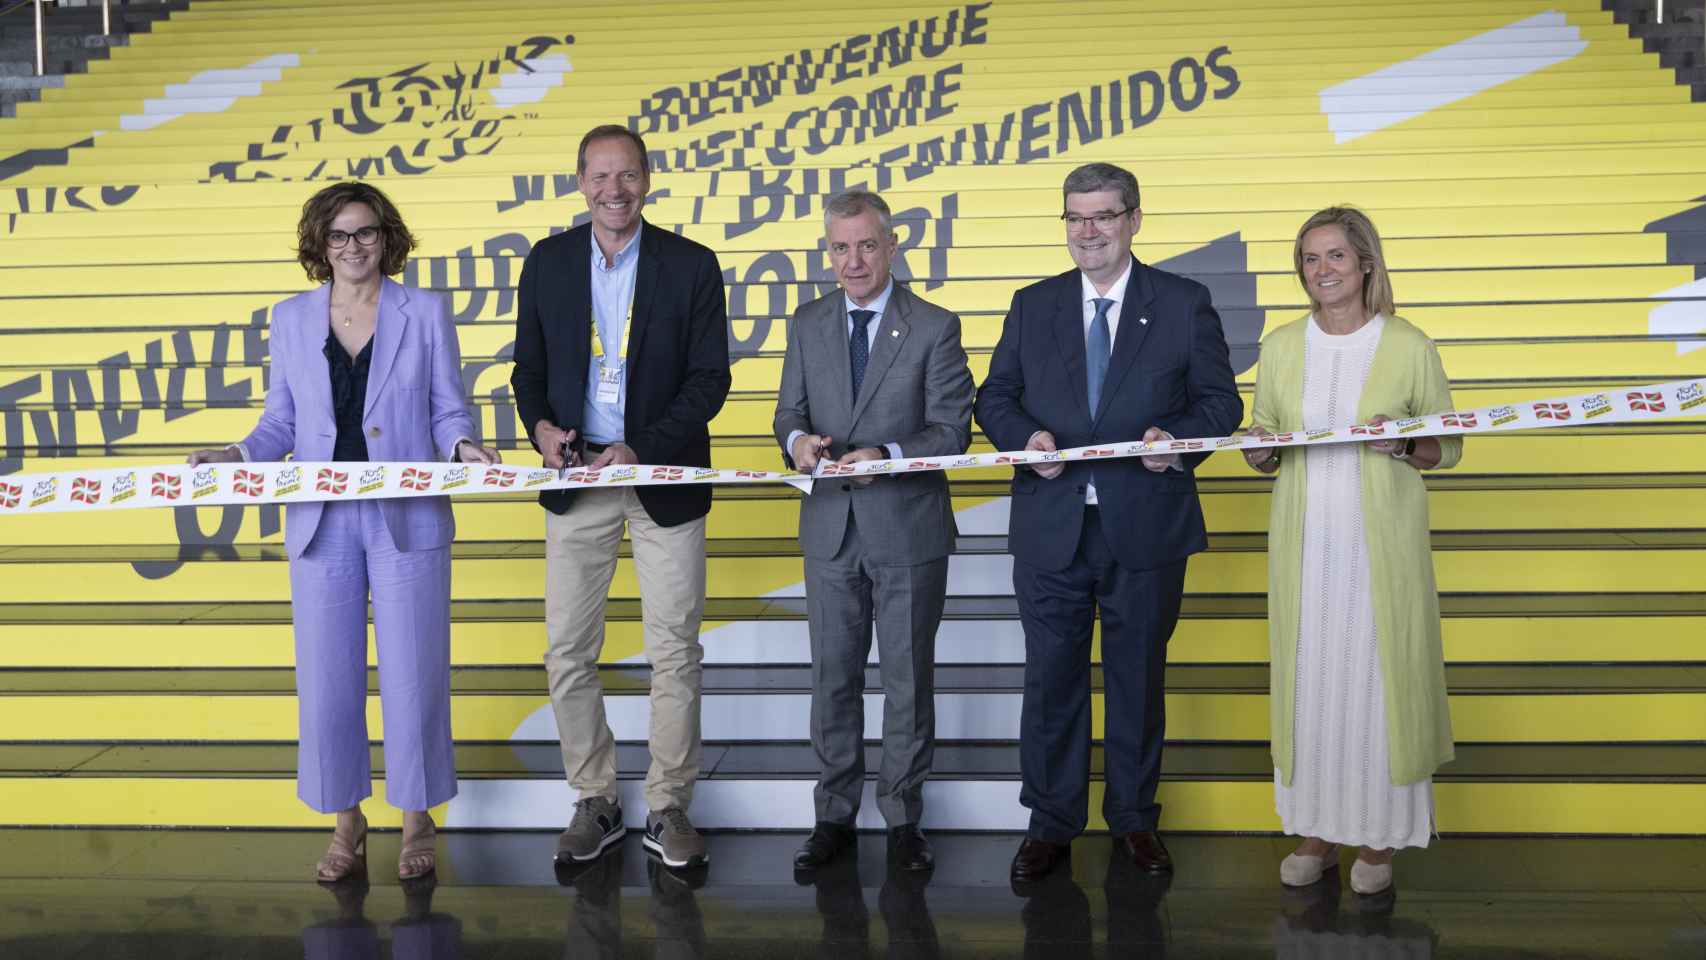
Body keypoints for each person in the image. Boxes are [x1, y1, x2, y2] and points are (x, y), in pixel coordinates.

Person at [188, 181, 500, 882]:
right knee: (327, 682)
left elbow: (449, 409)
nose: (353, 247)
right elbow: (280, 423)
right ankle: (346, 821)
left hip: (408, 514)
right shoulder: (291, 318)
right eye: (338, 236)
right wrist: (235, 455)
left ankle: (418, 817)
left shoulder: (426, 312)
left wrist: (463, 448)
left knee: (414, 674)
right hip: (320, 519)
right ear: (319, 246)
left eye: (364, 233)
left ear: (386, 237)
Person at [974, 162, 1242, 885]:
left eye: (1103, 216)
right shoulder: (1032, 305)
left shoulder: (1184, 303)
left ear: (1134, 219)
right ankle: (1052, 825)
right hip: (1051, 527)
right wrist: (1027, 443)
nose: (1087, 231)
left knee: (1137, 680)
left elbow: (1221, 404)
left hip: (1147, 526)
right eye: (1075, 217)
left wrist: (1174, 443)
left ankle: (1134, 821)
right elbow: (993, 398)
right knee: (1052, 682)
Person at [510, 124, 731, 871]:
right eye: (601, 177)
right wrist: (539, 427)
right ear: (580, 182)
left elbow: (710, 381)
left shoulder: (693, 265)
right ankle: (595, 799)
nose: (615, 190)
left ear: (648, 178)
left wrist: (643, 447)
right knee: (568, 650)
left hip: (662, 478)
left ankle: (668, 806)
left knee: (675, 651)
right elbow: (527, 370)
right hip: (578, 482)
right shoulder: (547, 263)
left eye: (628, 175)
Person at [1242, 206, 1460, 897]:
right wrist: (1257, 450)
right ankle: (1315, 833)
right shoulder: (1279, 347)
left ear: (1366, 262)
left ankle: (1378, 841)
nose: (1322, 270)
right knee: (1313, 687)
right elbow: (1266, 446)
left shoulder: (1408, 344)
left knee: (1375, 689)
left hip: (1380, 553)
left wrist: (1400, 440)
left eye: (1335, 255)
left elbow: (1446, 445)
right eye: (1310, 259)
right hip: (1306, 550)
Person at [772, 189, 975, 873]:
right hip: (829, 529)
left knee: (907, 682)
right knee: (831, 679)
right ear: (828, 253)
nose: (853, 260)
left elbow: (951, 430)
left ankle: (902, 821)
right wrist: (799, 443)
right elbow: (786, 414)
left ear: (892, 246)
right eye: (840, 248)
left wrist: (885, 457)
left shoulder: (935, 325)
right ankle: (833, 817)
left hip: (907, 529)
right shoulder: (806, 323)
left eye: (866, 245)